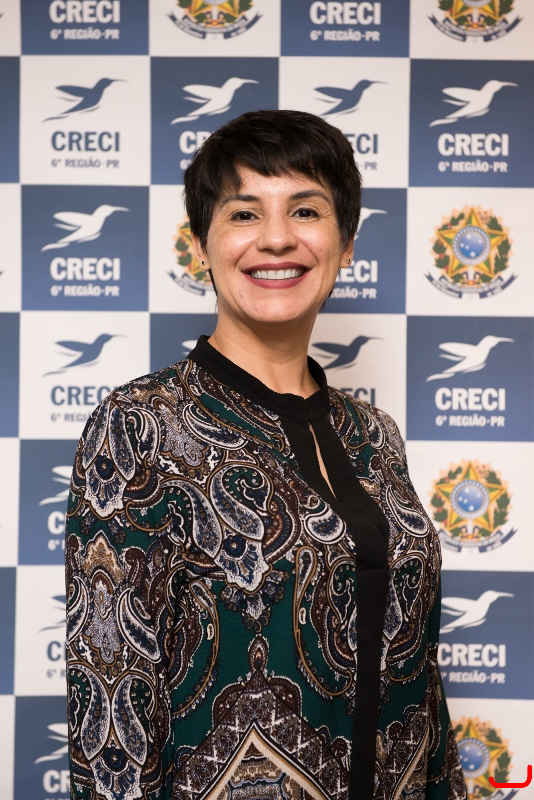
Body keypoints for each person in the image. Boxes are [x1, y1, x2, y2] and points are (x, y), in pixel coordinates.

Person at [65, 109, 467, 800]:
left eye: (306, 210)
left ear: (346, 243)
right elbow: (111, 713)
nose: (277, 237)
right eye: (244, 214)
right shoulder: (139, 426)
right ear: (202, 245)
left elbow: (420, 679)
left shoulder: (374, 434)